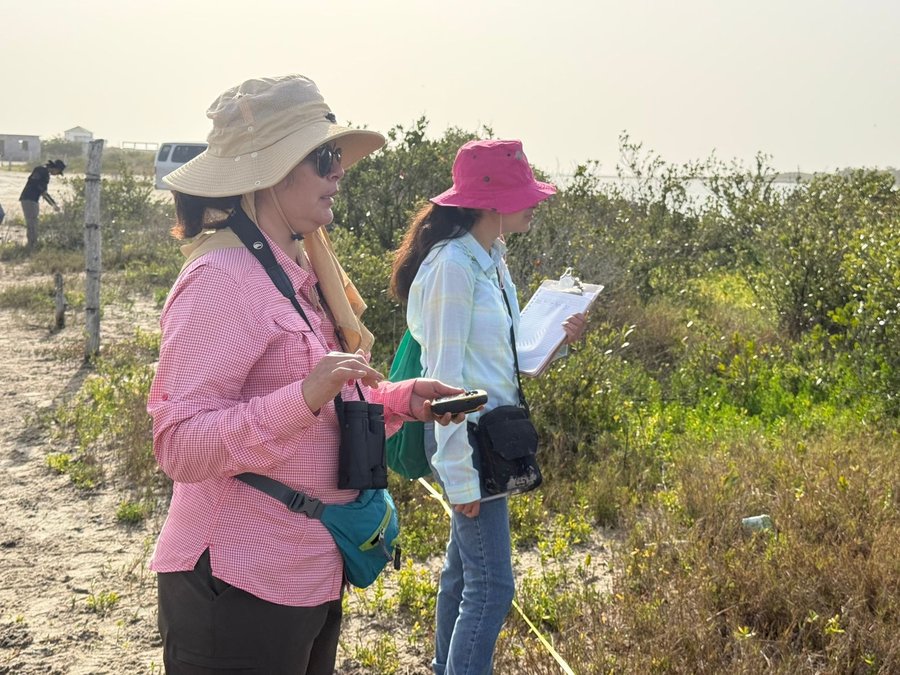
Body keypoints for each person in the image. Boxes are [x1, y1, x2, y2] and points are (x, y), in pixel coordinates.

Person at [146, 74, 466, 675]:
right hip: (238, 581)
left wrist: (400, 401)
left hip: (306, 571)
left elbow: (323, 401)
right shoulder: (222, 280)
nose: (339, 172)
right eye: (323, 159)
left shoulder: (299, 270)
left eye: (336, 156)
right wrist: (304, 397)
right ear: (271, 171)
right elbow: (179, 444)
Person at [390, 139, 587, 674]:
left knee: (462, 575)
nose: (535, 203)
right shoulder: (452, 267)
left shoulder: (491, 260)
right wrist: (460, 477)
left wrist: (561, 339)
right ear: (490, 202)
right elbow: (444, 379)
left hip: (489, 436)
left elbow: (511, 355)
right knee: (493, 586)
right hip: (468, 441)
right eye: (524, 193)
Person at [19, 158, 65, 248]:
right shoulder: (44, 173)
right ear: (55, 169)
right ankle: (32, 244)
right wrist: (53, 204)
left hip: (29, 199)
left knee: (32, 222)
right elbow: (43, 191)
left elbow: (40, 188)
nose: (56, 174)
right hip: (30, 199)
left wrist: (52, 203)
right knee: (32, 222)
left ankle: (32, 243)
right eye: (58, 172)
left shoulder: (41, 170)